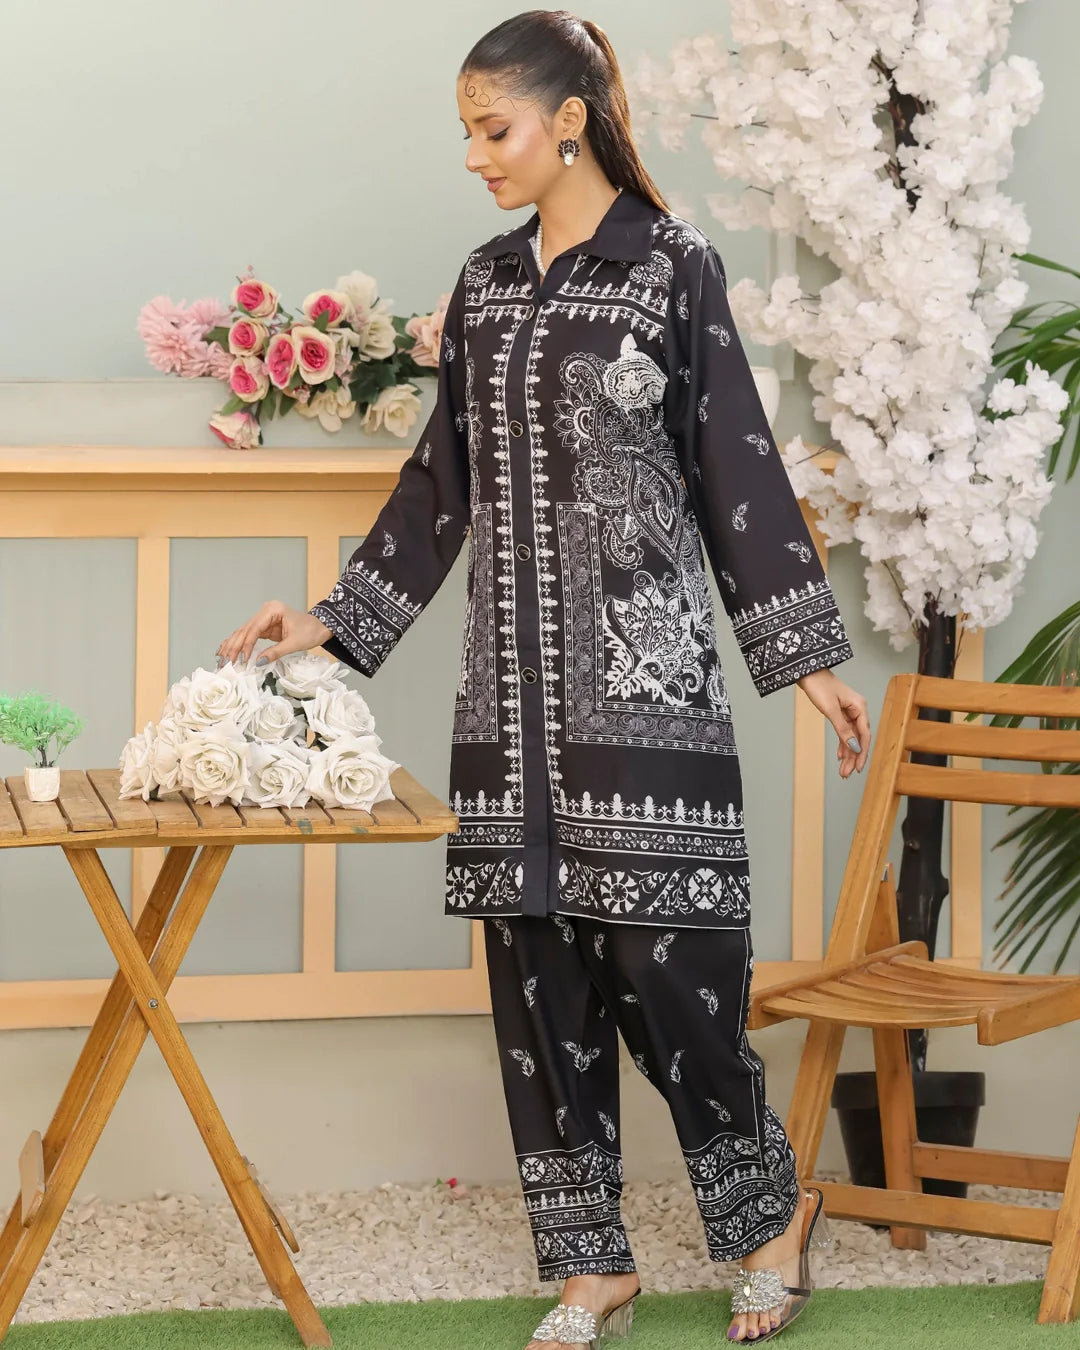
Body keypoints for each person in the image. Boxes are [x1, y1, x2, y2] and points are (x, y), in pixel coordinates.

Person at [217, 10, 871, 1346]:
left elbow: (736, 463)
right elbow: (439, 484)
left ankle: (768, 1217)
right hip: (508, 709)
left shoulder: (672, 267)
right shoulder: (488, 283)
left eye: (493, 128)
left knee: (671, 970)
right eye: (465, 132)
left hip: (646, 692)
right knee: (536, 978)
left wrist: (806, 657)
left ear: (569, 120)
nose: (475, 155)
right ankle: (591, 1266)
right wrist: (329, 622)